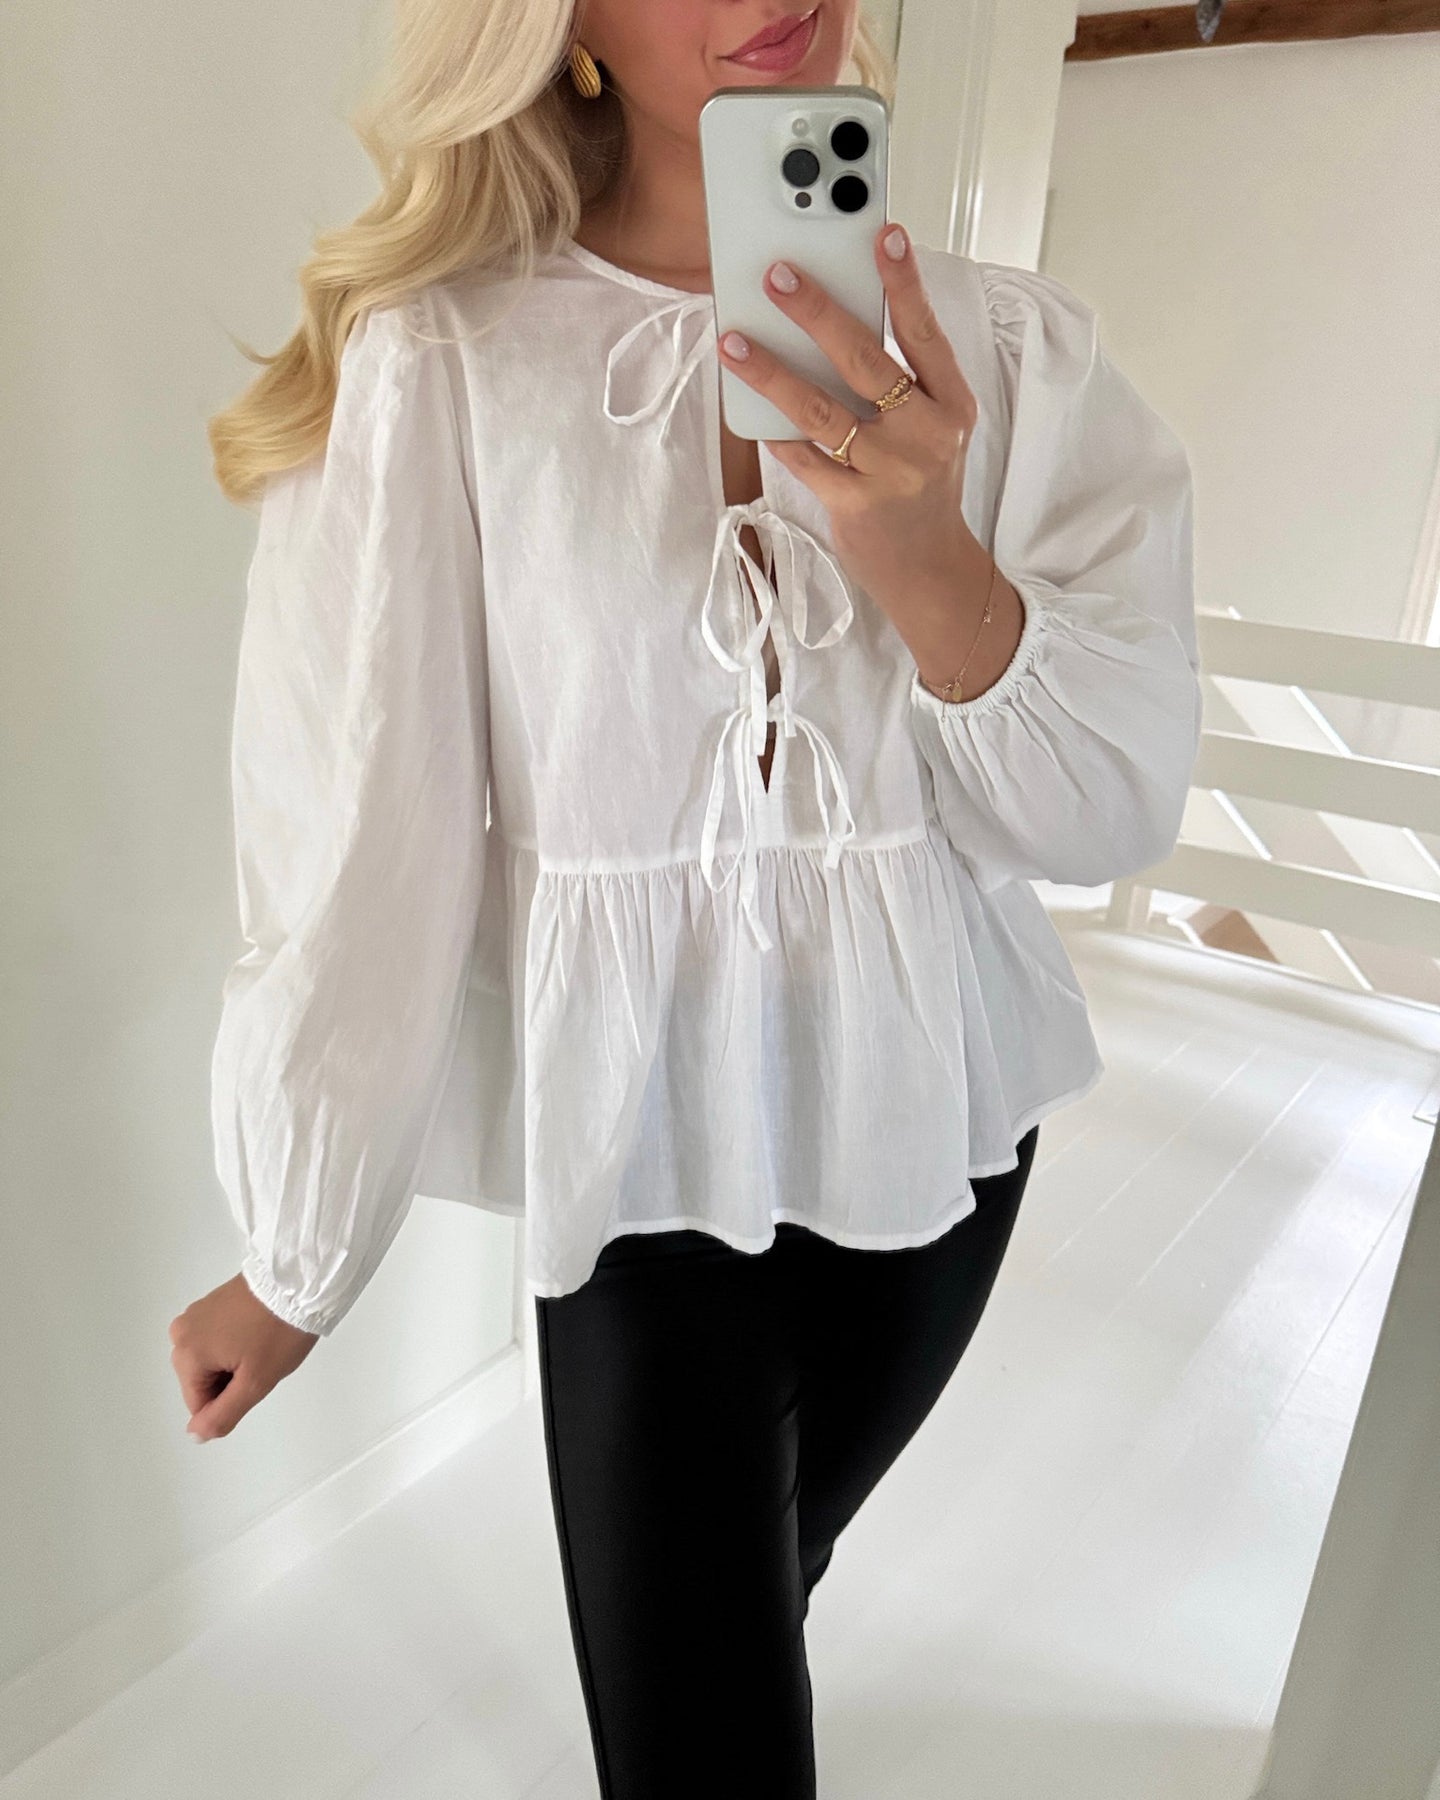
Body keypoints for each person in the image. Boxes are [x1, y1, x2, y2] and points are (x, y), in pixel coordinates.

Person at [170, 2, 1202, 1793]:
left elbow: (1109, 810)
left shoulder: (1010, 352)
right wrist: (298, 1250)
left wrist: (924, 557)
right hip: (641, 1163)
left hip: (941, 1139)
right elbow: (369, 828)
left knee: (738, 1624)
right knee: (703, 1725)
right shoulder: (448, 360)